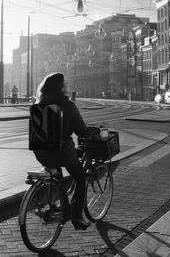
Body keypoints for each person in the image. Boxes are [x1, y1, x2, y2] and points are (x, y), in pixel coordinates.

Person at [32, 72, 99, 230]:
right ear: (61, 87)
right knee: (81, 178)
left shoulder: (38, 104)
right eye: (65, 84)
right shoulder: (67, 105)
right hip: (60, 153)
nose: (67, 86)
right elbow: (81, 131)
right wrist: (95, 130)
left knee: (59, 172)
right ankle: (77, 217)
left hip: (41, 153)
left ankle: (60, 202)